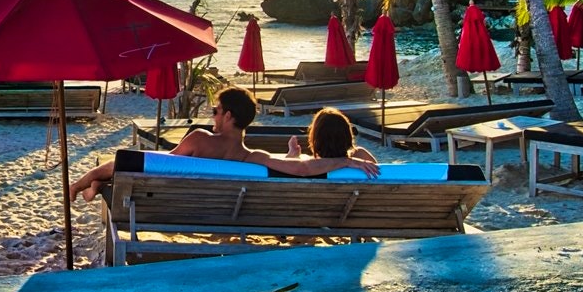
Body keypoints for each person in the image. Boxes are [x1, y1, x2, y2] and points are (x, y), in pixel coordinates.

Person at [68, 88, 380, 202]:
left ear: (227, 116)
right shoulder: (250, 157)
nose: (212, 114)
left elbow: (163, 165)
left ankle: (78, 186)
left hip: (170, 201)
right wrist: (347, 160)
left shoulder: (200, 140)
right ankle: (94, 185)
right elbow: (302, 169)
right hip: (223, 207)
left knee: (120, 163)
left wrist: (343, 161)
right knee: (117, 170)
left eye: (215, 111)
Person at [286, 108, 381, 167]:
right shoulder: (362, 157)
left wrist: (291, 157)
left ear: (316, 138)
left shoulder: (312, 166)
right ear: (348, 135)